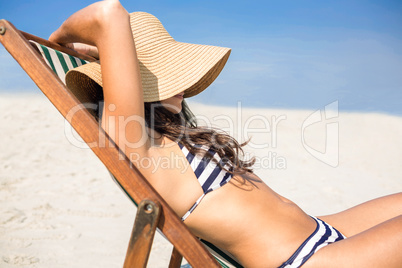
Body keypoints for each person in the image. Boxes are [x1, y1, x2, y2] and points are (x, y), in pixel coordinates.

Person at [49, 1, 402, 267]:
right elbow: (108, 14)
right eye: (159, 73)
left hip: (323, 232)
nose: (181, 83)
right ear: (129, 88)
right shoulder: (136, 145)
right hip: (309, 262)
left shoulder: (169, 135)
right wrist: (61, 40)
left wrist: (105, 58)